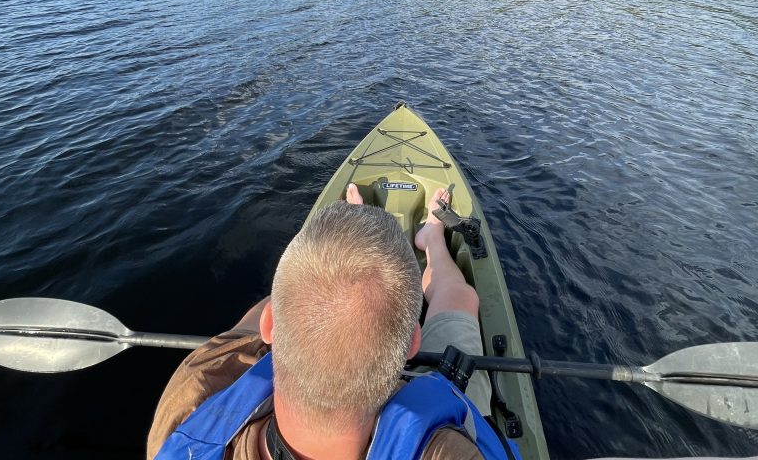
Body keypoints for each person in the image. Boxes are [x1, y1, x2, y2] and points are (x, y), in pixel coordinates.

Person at [147, 184, 504, 460]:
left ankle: (353, 232)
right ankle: (433, 241)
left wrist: (332, 261)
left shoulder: (198, 388)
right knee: (459, 299)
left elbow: (273, 305)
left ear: (271, 326)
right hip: (410, 393)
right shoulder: (448, 451)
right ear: (412, 345)